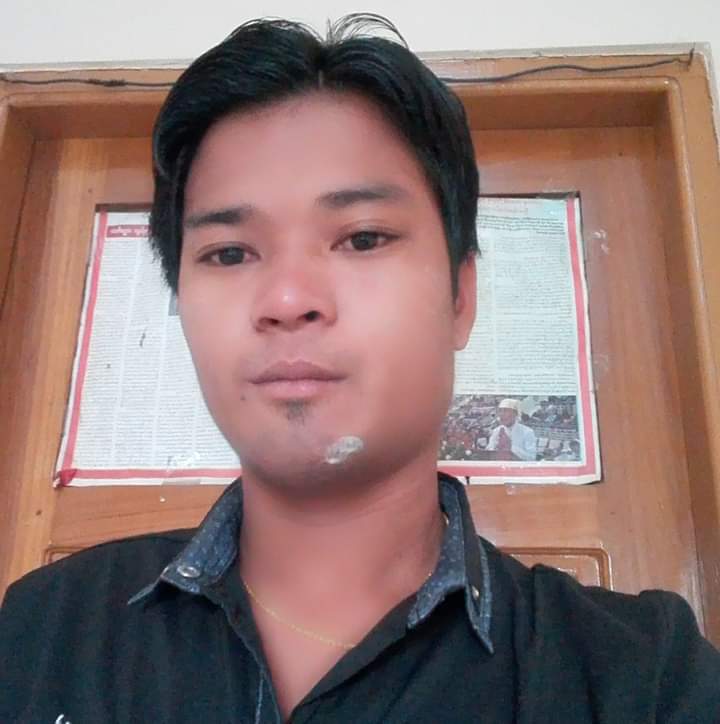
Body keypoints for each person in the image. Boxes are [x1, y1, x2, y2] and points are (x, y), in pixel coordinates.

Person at [1, 15, 719, 724]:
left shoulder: (644, 677)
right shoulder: (43, 629)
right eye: (230, 252)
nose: (287, 300)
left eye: (363, 238)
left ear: (460, 296)